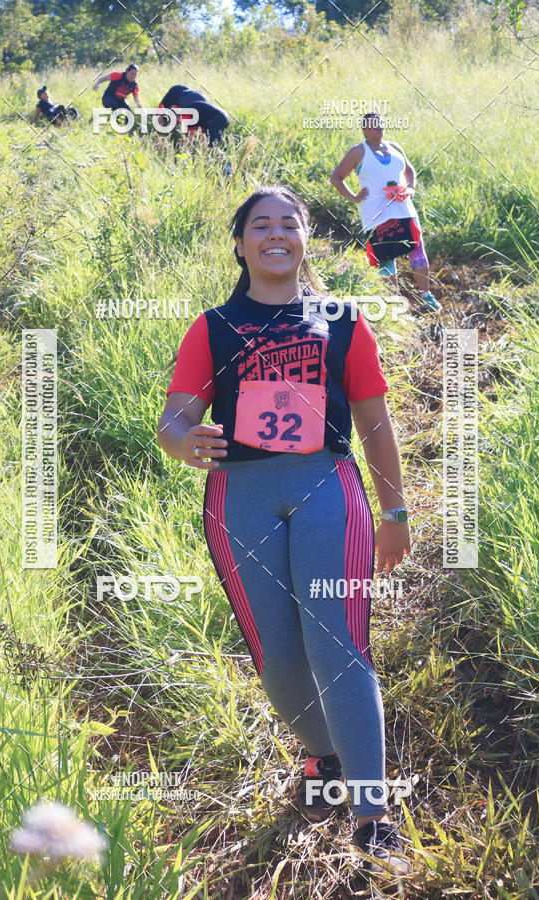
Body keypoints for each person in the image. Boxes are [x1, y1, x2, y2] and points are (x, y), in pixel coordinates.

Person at [157, 184, 414, 878]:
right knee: (278, 656)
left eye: (289, 224)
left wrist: (395, 514)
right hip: (238, 498)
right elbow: (173, 419)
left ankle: (372, 814)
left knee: (339, 645)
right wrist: (183, 442)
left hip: (325, 487)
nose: (276, 235)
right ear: (239, 244)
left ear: (306, 239)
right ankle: (325, 757)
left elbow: (376, 425)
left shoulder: (341, 319)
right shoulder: (211, 327)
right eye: (260, 226)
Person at [330, 111, 440, 314]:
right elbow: (336, 177)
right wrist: (353, 197)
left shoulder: (394, 147)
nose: (379, 128)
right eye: (373, 125)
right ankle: (394, 306)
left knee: (417, 249)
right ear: (364, 129)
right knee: (386, 258)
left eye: (381, 124)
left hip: (404, 208)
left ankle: (426, 297)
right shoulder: (358, 152)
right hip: (376, 214)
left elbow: (409, 170)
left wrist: (411, 188)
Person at [158, 84, 230, 147]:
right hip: (204, 102)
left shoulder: (182, 110)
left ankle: (220, 159)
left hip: (214, 116)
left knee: (212, 145)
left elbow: (190, 135)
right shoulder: (187, 109)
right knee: (209, 140)